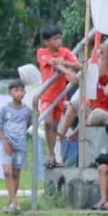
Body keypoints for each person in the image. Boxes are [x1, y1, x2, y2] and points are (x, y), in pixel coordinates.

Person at [32, 28, 80, 167]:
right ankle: (51, 154)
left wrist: (64, 63)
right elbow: (53, 63)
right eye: (55, 39)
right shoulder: (42, 52)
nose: (59, 41)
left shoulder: (65, 51)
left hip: (60, 95)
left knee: (54, 126)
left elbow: (79, 65)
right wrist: (67, 72)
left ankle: (53, 155)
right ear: (46, 41)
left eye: (60, 38)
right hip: (47, 95)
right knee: (47, 122)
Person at [0, 78, 34, 215]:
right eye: (16, 90)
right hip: (8, 145)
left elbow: (29, 124)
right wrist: (5, 143)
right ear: (10, 92)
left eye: (22, 90)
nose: (19, 93)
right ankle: (13, 200)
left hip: (20, 146)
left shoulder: (27, 111)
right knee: (7, 172)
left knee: (16, 173)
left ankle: (12, 201)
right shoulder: (4, 109)